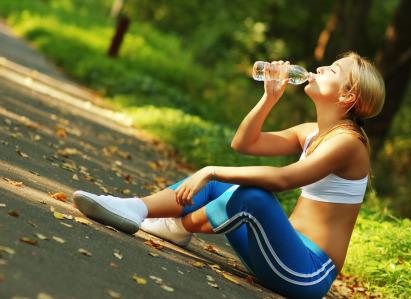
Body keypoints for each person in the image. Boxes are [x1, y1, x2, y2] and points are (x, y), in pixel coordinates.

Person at [73, 52, 385, 299]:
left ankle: (176, 225)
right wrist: (269, 98)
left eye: (332, 70)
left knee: (253, 196)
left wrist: (209, 170)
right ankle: (135, 209)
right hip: (277, 251)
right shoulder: (312, 132)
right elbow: (244, 143)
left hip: (307, 270)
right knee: (229, 184)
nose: (319, 68)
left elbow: (283, 179)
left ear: (347, 97)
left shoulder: (349, 143)